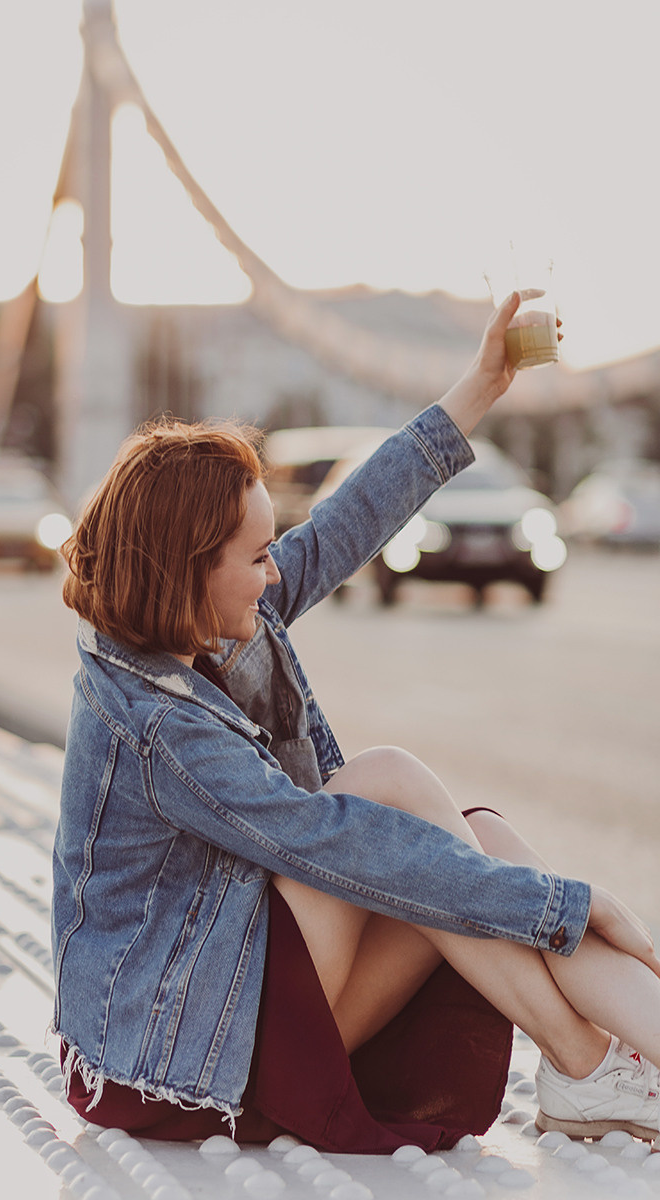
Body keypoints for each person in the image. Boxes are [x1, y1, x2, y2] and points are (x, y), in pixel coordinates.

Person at [51, 292, 660, 1153]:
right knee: (393, 794)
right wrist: (567, 904)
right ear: (191, 571)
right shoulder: (154, 722)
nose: (276, 572)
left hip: (245, 1003)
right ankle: (584, 1065)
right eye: (258, 555)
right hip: (177, 1057)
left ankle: (597, 1069)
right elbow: (333, 841)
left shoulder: (213, 620)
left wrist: (481, 383)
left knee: (472, 840)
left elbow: (350, 521)